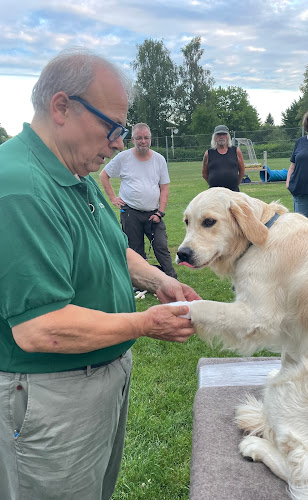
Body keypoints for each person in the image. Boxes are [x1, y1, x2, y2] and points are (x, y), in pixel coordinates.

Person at [0, 48, 200, 500]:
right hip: (51, 396)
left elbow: (114, 248)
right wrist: (146, 323)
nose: (118, 142)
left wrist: (159, 280)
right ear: (62, 107)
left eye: (123, 131)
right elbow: (41, 328)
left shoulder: (74, 171)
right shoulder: (20, 189)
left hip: (96, 377)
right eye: (113, 127)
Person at [99, 123, 177, 279]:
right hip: (130, 212)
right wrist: (113, 198)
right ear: (133, 139)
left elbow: (164, 188)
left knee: (161, 246)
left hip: (153, 213)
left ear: (150, 139)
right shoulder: (123, 158)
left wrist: (160, 212)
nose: (143, 141)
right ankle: (140, 281)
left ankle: (171, 278)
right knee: (135, 249)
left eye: (146, 138)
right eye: (139, 138)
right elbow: (103, 175)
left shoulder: (159, 160)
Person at [202, 124, 245, 192]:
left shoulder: (236, 151)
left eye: (224, 134)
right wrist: (212, 184)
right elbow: (204, 174)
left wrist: (236, 183)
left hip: (233, 191)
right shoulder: (208, 153)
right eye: (219, 134)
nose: (221, 137)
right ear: (215, 137)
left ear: (227, 137)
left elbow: (242, 170)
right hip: (214, 193)